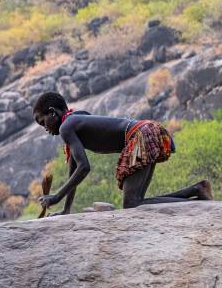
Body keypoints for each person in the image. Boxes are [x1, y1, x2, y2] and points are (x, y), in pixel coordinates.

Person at [32, 91, 212, 213]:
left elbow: (84, 167)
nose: (45, 129)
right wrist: (66, 210)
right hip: (146, 130)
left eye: (42, 122)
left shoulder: (66, 127)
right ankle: (196, 189)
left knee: (132, 204)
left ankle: (198, 205)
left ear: (52, 113)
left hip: (139, 135)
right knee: (136, 200)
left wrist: (55, 197)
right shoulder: (75, 119)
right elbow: (74, 172)